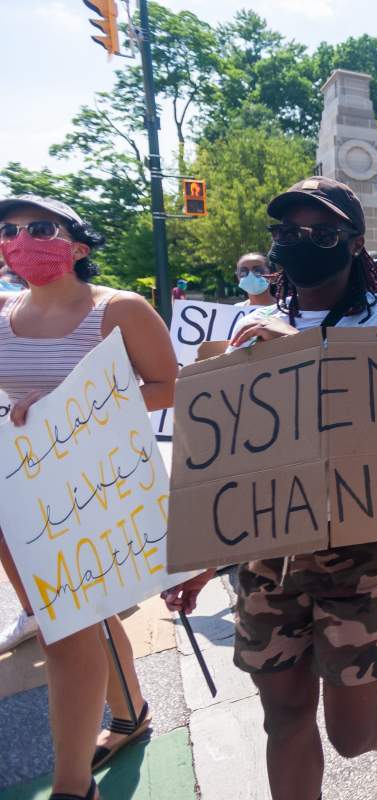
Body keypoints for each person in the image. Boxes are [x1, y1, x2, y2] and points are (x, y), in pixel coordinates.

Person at [161, 178, 377, 800]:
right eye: (288, 231)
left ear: (354, 243)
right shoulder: (250, 325)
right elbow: (227, 459)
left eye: (322, 232)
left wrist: (304, 354)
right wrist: (201, 557)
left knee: (352, 734)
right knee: (284, 719)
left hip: (361, 554)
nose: (301, 241)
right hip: (269, 556)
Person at [0, 194, 178, 800]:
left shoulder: (118, 309)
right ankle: (129, 716)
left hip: (90, 495)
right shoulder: (1, 310)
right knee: (78, 618)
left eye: (38, 227)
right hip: (18, 498)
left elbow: (169, 386)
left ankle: (72, 786)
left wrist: (63, 408)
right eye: (8, 231)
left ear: (77, 245)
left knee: (64, 630)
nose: (20, 239)